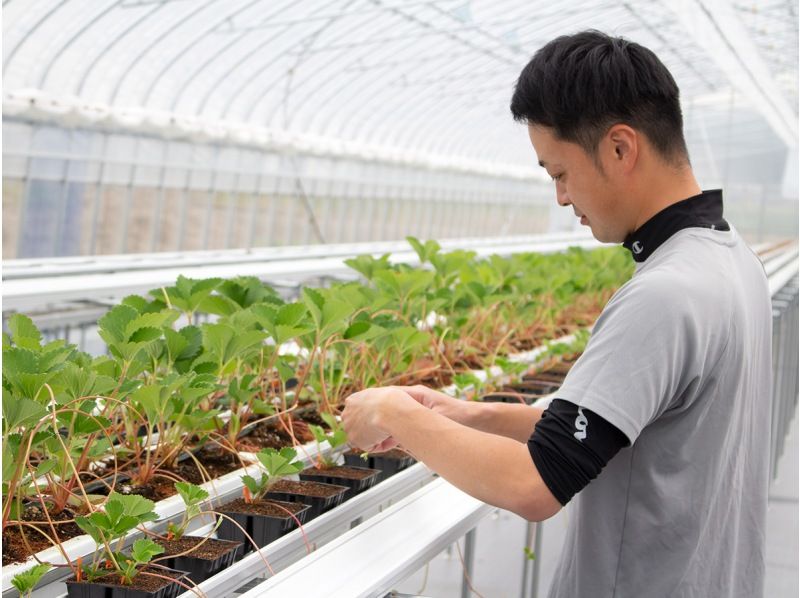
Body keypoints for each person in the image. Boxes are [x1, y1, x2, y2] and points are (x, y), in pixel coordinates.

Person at [341, 30, 772, 598]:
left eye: (559, 173)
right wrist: (471, 414)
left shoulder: (664, 295)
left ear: (620, 149)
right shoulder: (731, 259)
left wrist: (396, 412)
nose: (561, 198)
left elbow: (535, 485)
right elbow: (622, 431)